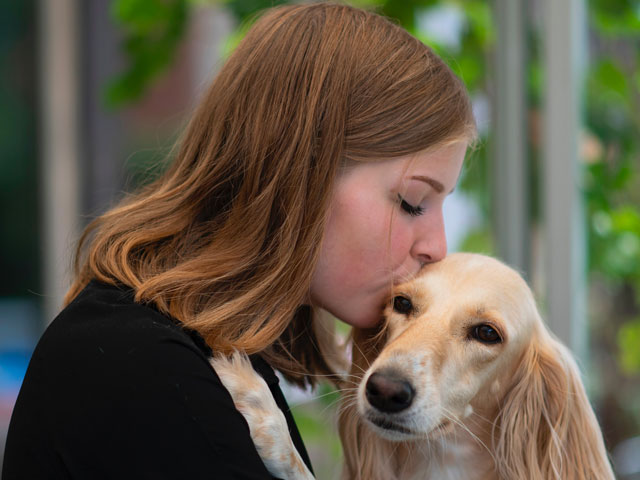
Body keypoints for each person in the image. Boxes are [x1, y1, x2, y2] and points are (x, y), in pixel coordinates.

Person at [3, 2, 476, 479]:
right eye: (413, 201)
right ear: (303, 173)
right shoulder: (145, 369)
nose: (436, 246)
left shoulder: (196, 354)